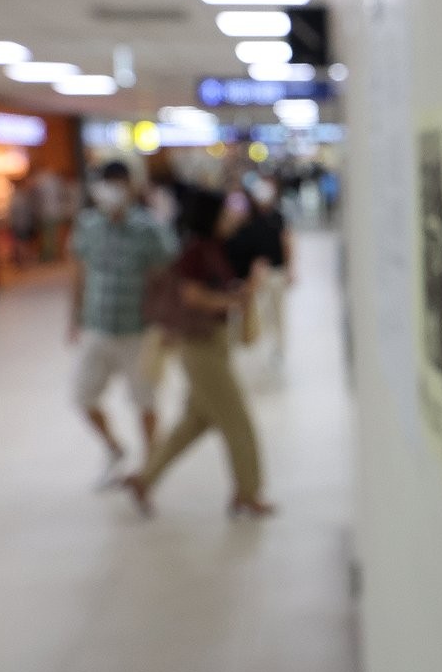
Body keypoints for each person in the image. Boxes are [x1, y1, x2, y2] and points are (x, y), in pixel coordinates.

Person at [123, 189, 275, 518]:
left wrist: (238, 293)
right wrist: (235, 301)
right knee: (237, 421)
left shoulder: (212, 249)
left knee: (195, 422)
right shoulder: (195, 252)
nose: (232, 218)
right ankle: (248, 492)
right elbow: (192, 297)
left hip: (213, 343)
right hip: (200, 347)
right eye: (225, 213)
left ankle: (145, 479)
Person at [69, 161, 177, 485]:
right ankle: (114, 448)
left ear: (132, 187)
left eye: (120, 183)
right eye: (108, 183)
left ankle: (149, 468)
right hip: (98, 326)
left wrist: (167, 322)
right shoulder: (88, 225)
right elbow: (80, 271)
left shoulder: (150, 229)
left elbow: (165, 277)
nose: (114, 191)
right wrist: (74, 316)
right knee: (83, 397)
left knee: (145, 401)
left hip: (138, 331)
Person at [226, 178, 294, 375]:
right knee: (260, 312)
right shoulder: (250, 221)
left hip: (276, 271)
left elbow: (286, 242)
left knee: (278, 312)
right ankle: (258, 346)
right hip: (258, 276)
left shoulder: (278, 217)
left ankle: (279, 348)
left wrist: (290, 268)